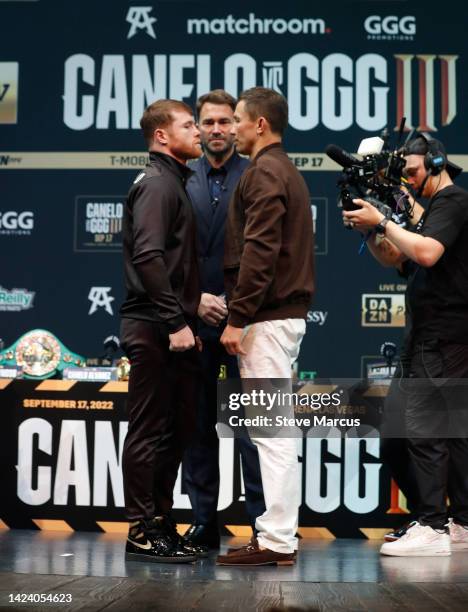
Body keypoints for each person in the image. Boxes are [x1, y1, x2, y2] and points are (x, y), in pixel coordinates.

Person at [343, 134, 468, 556]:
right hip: (425, 334)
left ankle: (434, 525)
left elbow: (428, 253)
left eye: (412, 173)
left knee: (429, 431)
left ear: (436, 162)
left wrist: (382, 223)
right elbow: (399, 258)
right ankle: (456, 521)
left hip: (445, 335)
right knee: (406, 434)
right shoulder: (429, 208)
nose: (408, 182)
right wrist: (376, 229)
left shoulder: (453, 201)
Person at [216, 87, 315, 566]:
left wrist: (237, 318)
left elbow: (260, 252)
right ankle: (277, 536)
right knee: (274, 433)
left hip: (266, 321)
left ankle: (276, 539)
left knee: (272, 435)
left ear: (260, 125)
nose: (230, 128)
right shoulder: (283, 169)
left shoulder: (265, 171)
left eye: (236, 119)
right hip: (278, 319)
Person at [120, 99, 206, 562]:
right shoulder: (157, 185)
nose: (198, 132)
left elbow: (170, 262)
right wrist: (175, 320)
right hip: (155, 325)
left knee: (175, 427)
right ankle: (139, 528)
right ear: (161, 136)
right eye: (189, 125)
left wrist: (193, 305)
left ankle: (159, 520)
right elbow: (149, 256)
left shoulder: (173, 181)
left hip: (171, 322)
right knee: (150, 428)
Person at [183, 90, 265, 549]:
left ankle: (262, 525)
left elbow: (265, 252)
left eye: (224, 121)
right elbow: (170, 252)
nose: (216, 129)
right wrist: (195, 300)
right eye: (208, 121)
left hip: (245, 321)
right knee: (196, 426)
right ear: (197, 127)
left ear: (238, 126)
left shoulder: (255, 175)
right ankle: (202, 520)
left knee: (254, 429)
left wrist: (239, 307)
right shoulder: (181, 177)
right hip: (193, 321)